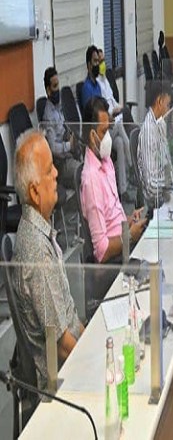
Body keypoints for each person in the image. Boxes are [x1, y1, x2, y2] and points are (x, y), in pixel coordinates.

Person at [9, 130, 84, 390]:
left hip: (72, 358)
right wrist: (97, 365)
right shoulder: (37, 252)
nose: (56, 174)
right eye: (49, 169)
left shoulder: (39, 231)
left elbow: (69, 317)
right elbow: (62, 345)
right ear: (34, 191)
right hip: (60, 382)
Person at [80, 97, 146, 267]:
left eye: (108, 129)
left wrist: (130, 220)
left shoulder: (106, 161)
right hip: (115, 260)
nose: (108, 137)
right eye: (104, 132)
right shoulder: (91, 179)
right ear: (92, 135)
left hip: (125, 242)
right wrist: (129, 236)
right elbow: (101, 251)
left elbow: (112, 217)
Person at [139, 81, 173, 209]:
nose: (169, 109)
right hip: (157, 203)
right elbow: (151, 186)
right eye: (168, 104)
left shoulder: (160, 124)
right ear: (159, 102)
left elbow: (166, 165)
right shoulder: (148, 132)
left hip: (167, 192)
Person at [96, 49, 134, 202]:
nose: (103, 64)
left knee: (119, 143)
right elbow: (103, 111)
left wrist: (120, 107)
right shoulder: (97, 85)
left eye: (104, 60)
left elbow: (112, 100)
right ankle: (133, 165)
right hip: (105, 130)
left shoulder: (105, 80)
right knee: (119, 127)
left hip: (114, 126)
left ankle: (123, 190)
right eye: (100, 61)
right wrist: (114, 112)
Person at [41, 67, 80, 189]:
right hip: (61, 164)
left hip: (70, 155)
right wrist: (69, 145)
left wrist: (71, 136)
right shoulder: (48, 116)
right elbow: (52, 148)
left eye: (58, 85)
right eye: (55, 86)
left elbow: (65, 128)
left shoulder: (59, 107)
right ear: (48, 90)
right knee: (83, 173)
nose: (58, 89)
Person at [80, 45, 102, 109]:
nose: (97, 64)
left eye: (98, 61)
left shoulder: (98, 85)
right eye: (95, 61)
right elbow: (90, 112)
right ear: (89, 65)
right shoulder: (86, 88)